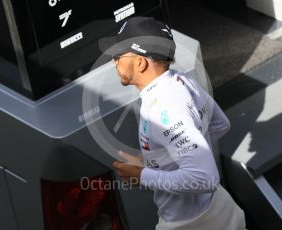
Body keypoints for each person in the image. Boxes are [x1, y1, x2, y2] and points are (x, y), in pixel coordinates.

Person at [99, 16, 246, 230]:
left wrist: (142, 175)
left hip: (190, 223)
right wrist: (163, 159)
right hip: (219, 209)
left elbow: (205, 178)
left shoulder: (162, 109)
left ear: (140, 62)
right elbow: (220, 124)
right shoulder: (182, 81)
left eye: (119, 54)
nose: (114, 61)